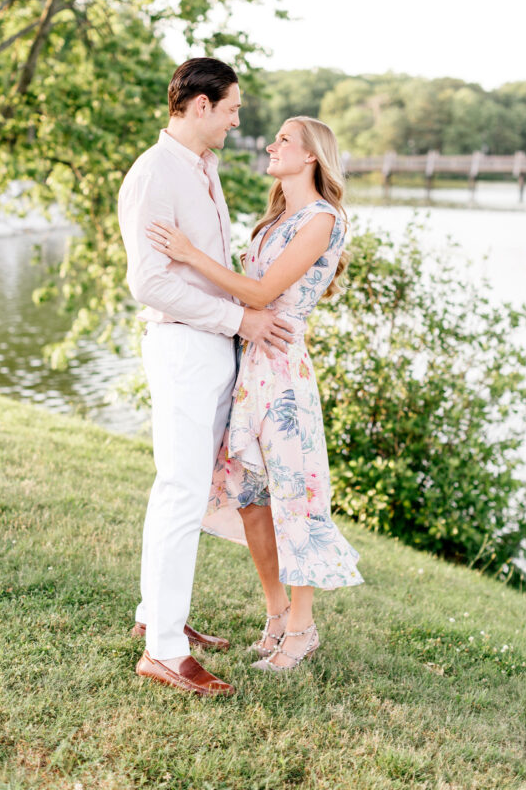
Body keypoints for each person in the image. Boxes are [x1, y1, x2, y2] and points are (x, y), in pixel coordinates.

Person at [147, 115, 363, 675]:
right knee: (250, 498)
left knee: (296, 495)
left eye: (284, 140)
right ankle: (274, 616)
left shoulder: (322, 219)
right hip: (250, 366)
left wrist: (191, 254)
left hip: (284, 372)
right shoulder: (274, 221)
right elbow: (251, 296)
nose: (271, 144)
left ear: (311, 156)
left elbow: (264, 292)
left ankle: (302, 628)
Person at [118, 58, 293, 698]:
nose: (238, 119)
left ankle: (157, 619)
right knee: (180, 492)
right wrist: (236, 318)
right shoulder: (154, 174)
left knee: (185, 494)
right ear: (198, 106)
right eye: (231, 109)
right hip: (185, 349)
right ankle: (163, 653)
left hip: (212, 349)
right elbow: (149, 281)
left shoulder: (204, 169)